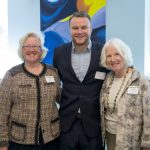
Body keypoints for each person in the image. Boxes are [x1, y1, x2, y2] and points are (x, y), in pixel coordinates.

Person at [53, 11, 107, 150]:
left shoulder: (104, 52)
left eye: (84, 27)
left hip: (94, 122)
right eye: (75, 28)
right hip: (67, 122)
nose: (80, 31)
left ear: (91, 28)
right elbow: (55, 83)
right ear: (69, 29)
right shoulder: (58, 53)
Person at [0, 32, 61, 150]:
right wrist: (2, 143)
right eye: (27, 46)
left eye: (36, 46)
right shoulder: (12, 75)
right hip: (20, 141)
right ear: (22, 50)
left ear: (41, 49)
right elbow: (2, 112)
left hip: (51, 139)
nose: (31, 50)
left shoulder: (52, 72)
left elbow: (62, 98)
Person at [99, 38, 150, 150]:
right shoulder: (108, 79)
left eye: (117, 54)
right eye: (108, 56)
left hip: (131, 140)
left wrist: (147, 143)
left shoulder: (141, 81)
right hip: (110, 135)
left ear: (125, 55)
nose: (113, 59)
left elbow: (148, 114)